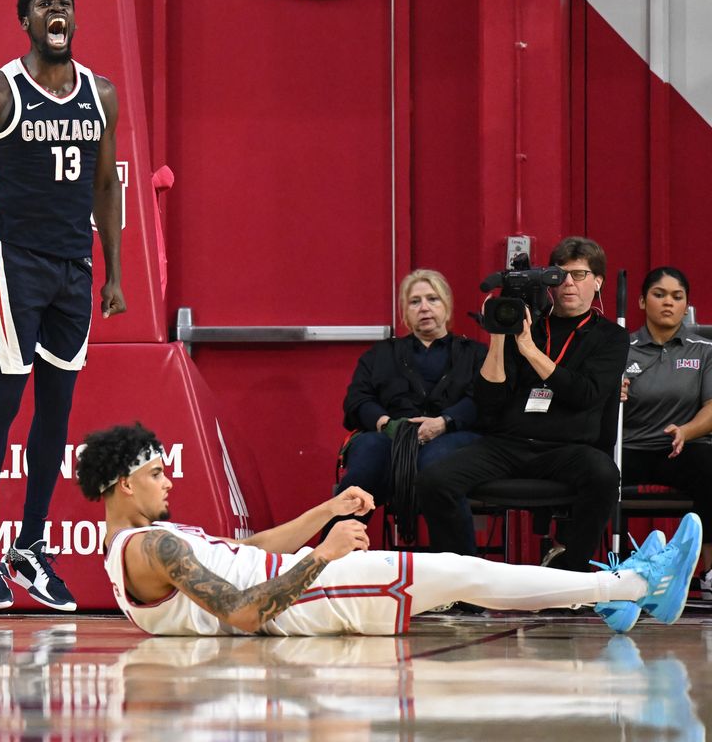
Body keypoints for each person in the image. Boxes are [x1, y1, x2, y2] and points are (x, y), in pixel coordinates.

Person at [75, 422, 702, 636]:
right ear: (124, 485)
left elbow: (249, 550)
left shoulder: (145, 544)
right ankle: (635, 587)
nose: (170, 482)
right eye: (159, 473)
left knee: (466, 574)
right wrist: (321, 556)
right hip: (305, 600)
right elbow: (241, 611)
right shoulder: (150, 546)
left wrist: (325, 512)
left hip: (300, 587)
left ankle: (615, 595)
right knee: (466, 572)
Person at [0, 0, 125, 611]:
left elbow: (106, 187)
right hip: (10, 260)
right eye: (44, 4)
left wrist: (116, 273)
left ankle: (31, 546)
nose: (57, 11)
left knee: (56, 410)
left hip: (73, 267)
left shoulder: (101, 93)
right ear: (25, 21)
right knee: (5, 395)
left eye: (65, 3)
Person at [415, 237, 629, 570]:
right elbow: (489, 400)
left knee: (604, 476)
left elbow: (584, 393)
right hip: (509, 443)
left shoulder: (611, 337)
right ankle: (463, 575)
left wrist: (530, 350)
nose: (569, 283)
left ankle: (569, 572)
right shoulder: (526, 324)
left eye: (580, 274)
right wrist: (499, 336)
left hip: (567, 448)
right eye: (560, 275)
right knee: (434, 480)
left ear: (598, 281)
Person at [338, 269, 485, 538]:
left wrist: (444, 422)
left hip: (455, 436)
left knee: (436, 461)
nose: (425, 308)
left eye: (433, 299)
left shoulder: (475, 354)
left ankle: (457, 565)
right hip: (391, 439)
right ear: (404, 311)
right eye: (415, 302)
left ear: (447, 306)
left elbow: (486, 401)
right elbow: (357, 400)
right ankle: (329, 558)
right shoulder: (380, 354)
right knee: (369, 450)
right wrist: (386, 424)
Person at [620, 266, 712, 598]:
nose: (668, 303)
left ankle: (709, 573)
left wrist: (686, 430)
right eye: (659, 295)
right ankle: (575, 566)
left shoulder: (703, 350)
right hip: (629, 447)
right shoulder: (621, 347)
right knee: (589, 468)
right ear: (643, 301)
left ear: (686, 303)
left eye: (677, 296)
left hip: (680, 448)